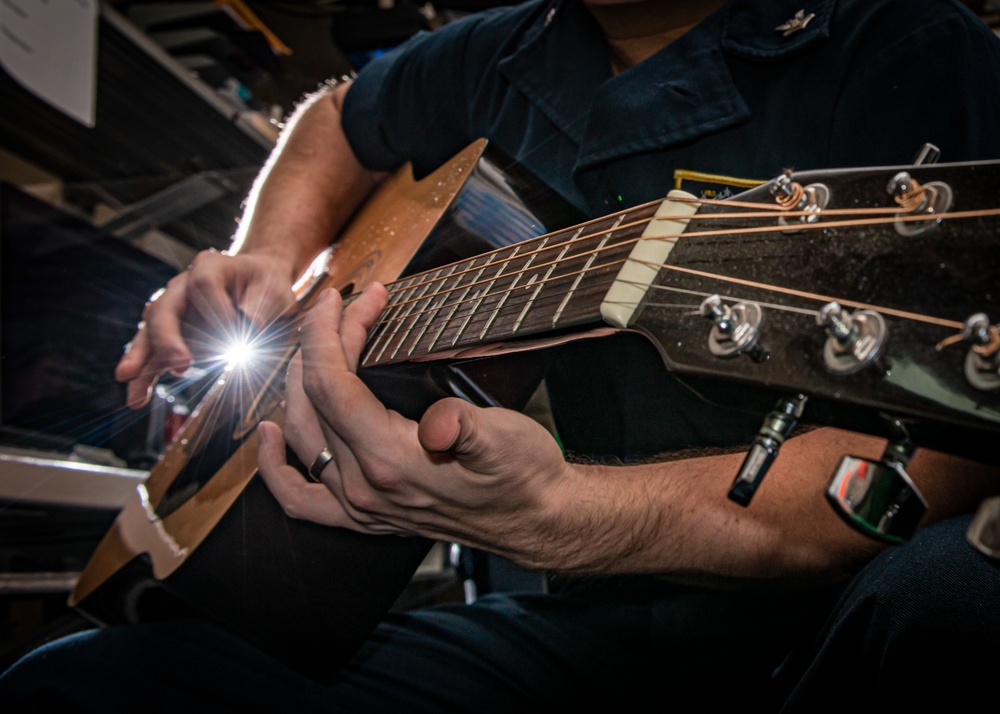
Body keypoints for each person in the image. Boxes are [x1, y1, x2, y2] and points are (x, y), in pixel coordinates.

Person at [3, 0, 1000, 710]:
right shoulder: (502, 47)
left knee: (962, 601)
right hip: (596, 634)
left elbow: (948, 457)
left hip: (825, 622)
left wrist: (561, 517)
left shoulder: (903, 42)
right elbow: (333, 123)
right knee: (76, 688)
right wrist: (263, 259)